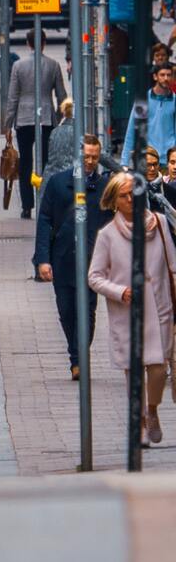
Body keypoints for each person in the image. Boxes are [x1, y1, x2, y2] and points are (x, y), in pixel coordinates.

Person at [88, 173, 174, 446]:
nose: (131, 200)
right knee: (134, 372)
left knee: (159, 369)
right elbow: (95, 277)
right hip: (128, 314)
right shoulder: (107, 236)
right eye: (124, 196)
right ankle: (138, 425)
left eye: (134, 194)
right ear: (114, 201)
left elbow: (173, 264)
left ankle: (152, 410)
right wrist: (120, 291)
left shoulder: (158, 224)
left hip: (160, 308)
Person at [36, 135, 114, 378]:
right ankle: (75, 352)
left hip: (93, 261)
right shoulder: (58, 183)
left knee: (88, 310)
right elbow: (45, 221)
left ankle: (79, 358)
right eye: (86, 156)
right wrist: (42, 259)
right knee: (67, 310)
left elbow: (112, 224)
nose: (90, 161)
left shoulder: (104, 188)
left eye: (94, 157)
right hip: (63, 258)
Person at [1, 50, 68, 218]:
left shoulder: (18, 65)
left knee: (25, 163)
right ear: (44, 43)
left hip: (24, 119)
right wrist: (57, 117)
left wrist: (8, 124)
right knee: (47, 163)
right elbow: (62, 96)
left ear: (27, 44)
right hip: (46, 118)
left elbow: (13, 97)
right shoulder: (53, 64)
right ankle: (47, 201)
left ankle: (27, 206)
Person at [121, 64, 176, 160]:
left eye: (169, 75)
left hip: (168, 160)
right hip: (148, 159)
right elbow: (131, 130)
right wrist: (124, 161)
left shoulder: (175, 100)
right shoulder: (143, 100)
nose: (166, 78)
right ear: (155, 76)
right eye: (162, 75)